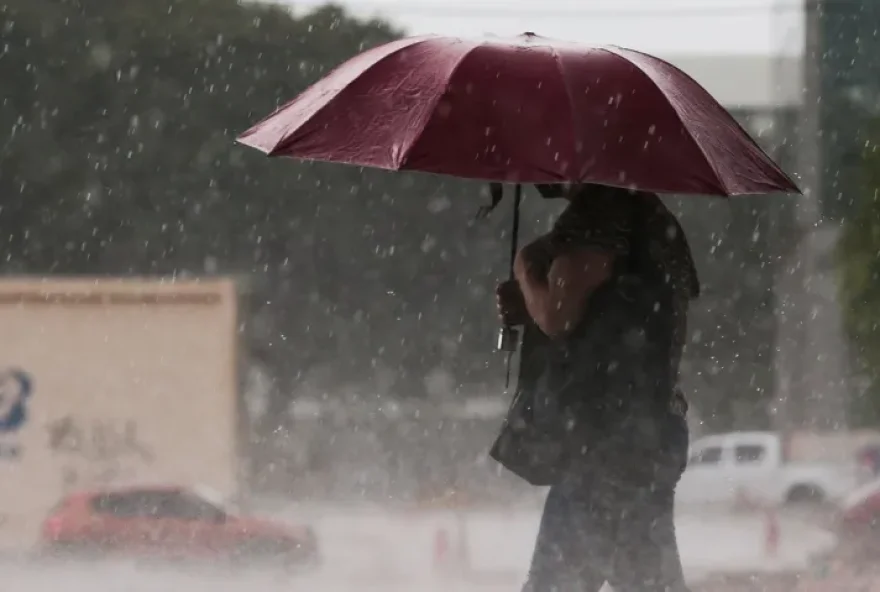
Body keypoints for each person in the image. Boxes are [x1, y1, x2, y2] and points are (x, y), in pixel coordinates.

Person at [495, 183, 699, 592]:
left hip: (602, 439)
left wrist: (524, 272)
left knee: (559, 583)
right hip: (645, 432)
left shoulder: (600, 211)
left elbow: (558, 316)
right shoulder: (651, 217)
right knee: (645, 579)